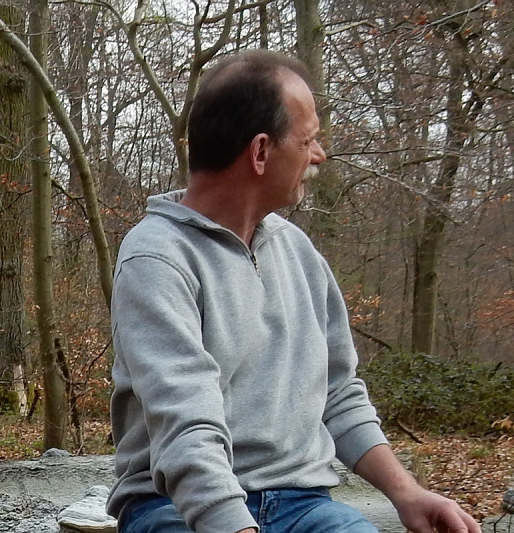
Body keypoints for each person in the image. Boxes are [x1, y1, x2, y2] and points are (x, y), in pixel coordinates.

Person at [106, 49, 482, 533]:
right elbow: (185, 425)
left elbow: (337, 392)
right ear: (261, 152)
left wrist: (407, 493)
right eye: (308, 140)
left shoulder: (297, 250)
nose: (319, 155)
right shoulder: (157, 258)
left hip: (304, 506)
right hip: (177, 508)